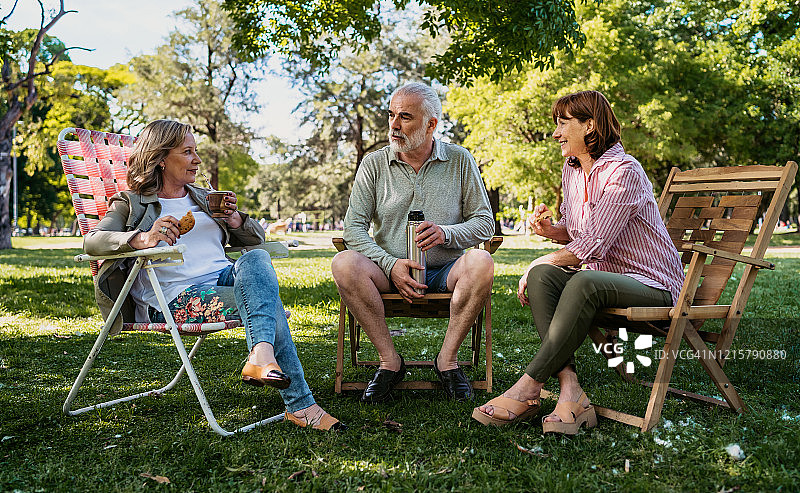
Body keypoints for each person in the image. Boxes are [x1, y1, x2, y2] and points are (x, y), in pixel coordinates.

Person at [84, 119, 345, 432]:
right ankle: (300, 404)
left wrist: (234, 219)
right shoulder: (131, 203)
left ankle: (262, 355)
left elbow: (256, 240)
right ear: (162, 158)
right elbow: (93, 241)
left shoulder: (203, 198)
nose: (197, 159)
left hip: (222, 277)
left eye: (197, 151)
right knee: (268, 303)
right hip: (174, 296)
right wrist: (141, 238)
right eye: (188, 152)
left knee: (257, 258)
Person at [473, 91, 684, 434]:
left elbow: (596, 241)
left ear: (590, 125)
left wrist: (539, 258)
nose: (555, 133)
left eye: (562, 124)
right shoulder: (571, 170)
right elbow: (576, 231)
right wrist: (550, 230)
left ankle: (527, 387)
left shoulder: (623, 171)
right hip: (607, 281)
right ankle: (571, 390)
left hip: (654, 285)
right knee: (544, 275)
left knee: (581, 280)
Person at [331, 82, 496, 403]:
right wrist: (390, 265)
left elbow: (484, 223)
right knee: (343, 262)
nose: (394, 125)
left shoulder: (460, 160)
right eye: (391, 115)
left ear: (431, 124)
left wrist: (447, 233)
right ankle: (390, 362)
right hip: (386, 271)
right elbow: (353, 228)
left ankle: (447, 362)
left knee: (482, 261)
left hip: (444, 271)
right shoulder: (374, 164)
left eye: (405, 117)